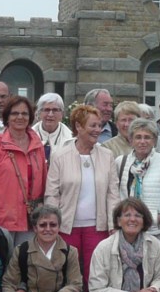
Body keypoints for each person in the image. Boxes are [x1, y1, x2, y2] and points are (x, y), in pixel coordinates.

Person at [45, 103, 117, 273]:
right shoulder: (59, 155)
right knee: (67, 271)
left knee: (95, 273)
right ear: (78, 126)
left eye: (99, 125)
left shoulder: (107, 156)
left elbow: (113, 194)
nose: (98, 130)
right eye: (93, 125)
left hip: (98, 228)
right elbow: (52, 194)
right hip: (66, 227)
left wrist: (113, 224)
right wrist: (52, 224)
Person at [0, 95, 46, 248]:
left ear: (31, 117)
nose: (20, 117)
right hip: (2, 219)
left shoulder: (37, 144)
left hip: (31, 218)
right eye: (15, 113)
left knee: (25, 259)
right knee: (4, 259)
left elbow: (43, 181)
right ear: (7, 117)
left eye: (24, 113)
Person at [114, 118, 160, 242]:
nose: (142, 141)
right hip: (127, 231)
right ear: (131, 140)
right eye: (138, 137)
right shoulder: (120, 162)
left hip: (156, 232)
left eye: (147, 137)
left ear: (154, 141)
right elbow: (115, 196)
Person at [33, 92, 73, 159]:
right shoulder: (28, 136)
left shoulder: (70, 139)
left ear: (62, 114)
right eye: (46, 110)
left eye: (55, 110)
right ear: (39, 113)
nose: (50, 114)